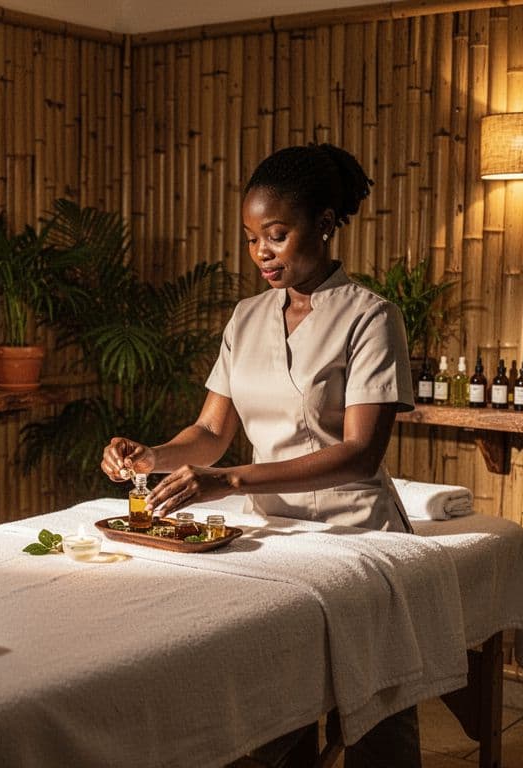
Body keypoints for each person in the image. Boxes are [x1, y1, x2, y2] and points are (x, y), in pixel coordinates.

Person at [100, 143, 421, 766]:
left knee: (379, 729)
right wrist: (150, 456)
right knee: (278, 709)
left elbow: (360, 454)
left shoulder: (371, 318)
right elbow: (210, 431)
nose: (262, 254)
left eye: (276, 235)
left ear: (323, 224)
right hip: (273, 537)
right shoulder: (246, 318)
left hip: (355, 534)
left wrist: (228, 482)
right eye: (251, 240)